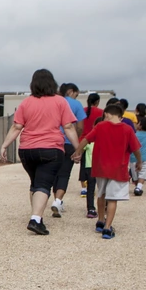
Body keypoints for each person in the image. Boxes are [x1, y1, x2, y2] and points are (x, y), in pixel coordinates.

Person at [0, 69, 79, 235]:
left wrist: (5, 145)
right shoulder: (60, 101)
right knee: (44, 184)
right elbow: (68, 126)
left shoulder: (26, 102)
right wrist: (77, 147)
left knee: (35, 183)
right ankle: (35, 219)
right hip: (51, 149)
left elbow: (17, 127)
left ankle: (37, 216)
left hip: (27, 150)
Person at [73, 104, 142, 240]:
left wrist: (77, 152)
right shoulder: (127, 129)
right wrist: (139, 162)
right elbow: (136, 148)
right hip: (118, 169)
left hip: (100, 167)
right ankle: (107, 228)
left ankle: (100, 220)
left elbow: (86, 139)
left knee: (101, 194)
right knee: (113, 198)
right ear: (120, 116)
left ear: (106, 114)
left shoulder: (100, 127)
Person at [50, 83, 87, 217]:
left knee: (54, 173)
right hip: (68, 142)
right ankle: (58, 201)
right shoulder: (76, 105)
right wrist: (76, 143)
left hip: (53, 142)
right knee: (65, 173)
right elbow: (80, 126)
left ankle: (56, 200)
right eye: (76, 94)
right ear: (71, 91)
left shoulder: (53, 101)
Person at [79, 93, 103, 197]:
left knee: (84, 164)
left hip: (82, 140)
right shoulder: (101, 112)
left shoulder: (82, 111)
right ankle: (95, 185)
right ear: (97, 102)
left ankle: (84, 187)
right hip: (96, 140)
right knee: (96, 164)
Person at [83, 117, 103, 218]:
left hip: (93, 166)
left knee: (97, 189)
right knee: (93, 188)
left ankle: (93, 208)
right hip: (94, 167)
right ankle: (91, 207)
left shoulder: (90, 140)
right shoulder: (103, 141)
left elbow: (82, 147)